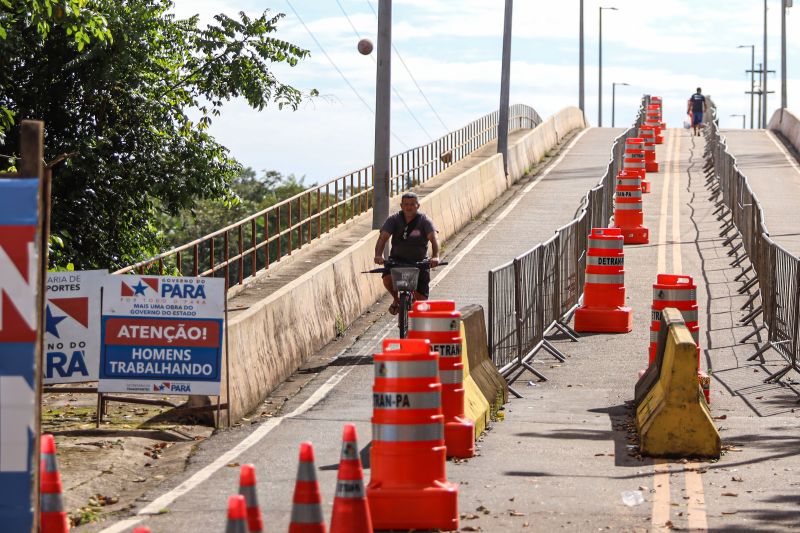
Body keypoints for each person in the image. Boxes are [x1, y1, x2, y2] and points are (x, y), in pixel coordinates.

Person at [374, 192, 440, 315]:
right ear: (401, 206)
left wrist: (435, 256)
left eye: (412, 204)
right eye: (406, 204)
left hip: (419, 262)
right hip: (397, 261)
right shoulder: (394, 219)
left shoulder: (424, 220)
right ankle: (396, 299)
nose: (409, 207)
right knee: (387, 278)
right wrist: (379, 255)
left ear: (418, 206)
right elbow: (383, 238)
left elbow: (434, 238)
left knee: (421, 302)